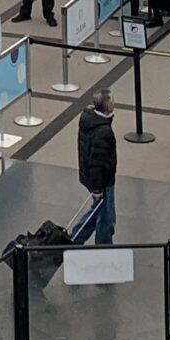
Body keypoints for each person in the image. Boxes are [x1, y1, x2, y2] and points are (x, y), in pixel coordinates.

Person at [74, 90, 119, 243]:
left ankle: (75, 239)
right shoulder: (103, 131)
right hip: (103, 182)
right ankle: (103, 248)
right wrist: (97, 190)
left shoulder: (88, 120)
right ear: (108, 108)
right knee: (107, 218)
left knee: (98, 212)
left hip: (91, 178)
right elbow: (97, 163)